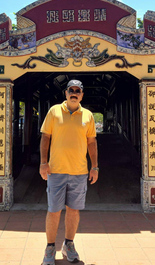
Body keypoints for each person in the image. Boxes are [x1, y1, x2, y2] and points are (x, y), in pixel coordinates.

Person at [39, 79, 98, 265]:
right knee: (54, 210)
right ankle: (50, 248)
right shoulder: (54, 111)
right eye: (71, 90)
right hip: (56, 170)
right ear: (65, 93)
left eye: (77, 91)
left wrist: (94, 166)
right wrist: (43, 162)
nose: (74, 93)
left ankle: (68, 245)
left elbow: (92, 142)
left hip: (79, 172)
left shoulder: (88, 115)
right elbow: (45, 137)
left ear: (82, 94)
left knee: (73, 211)